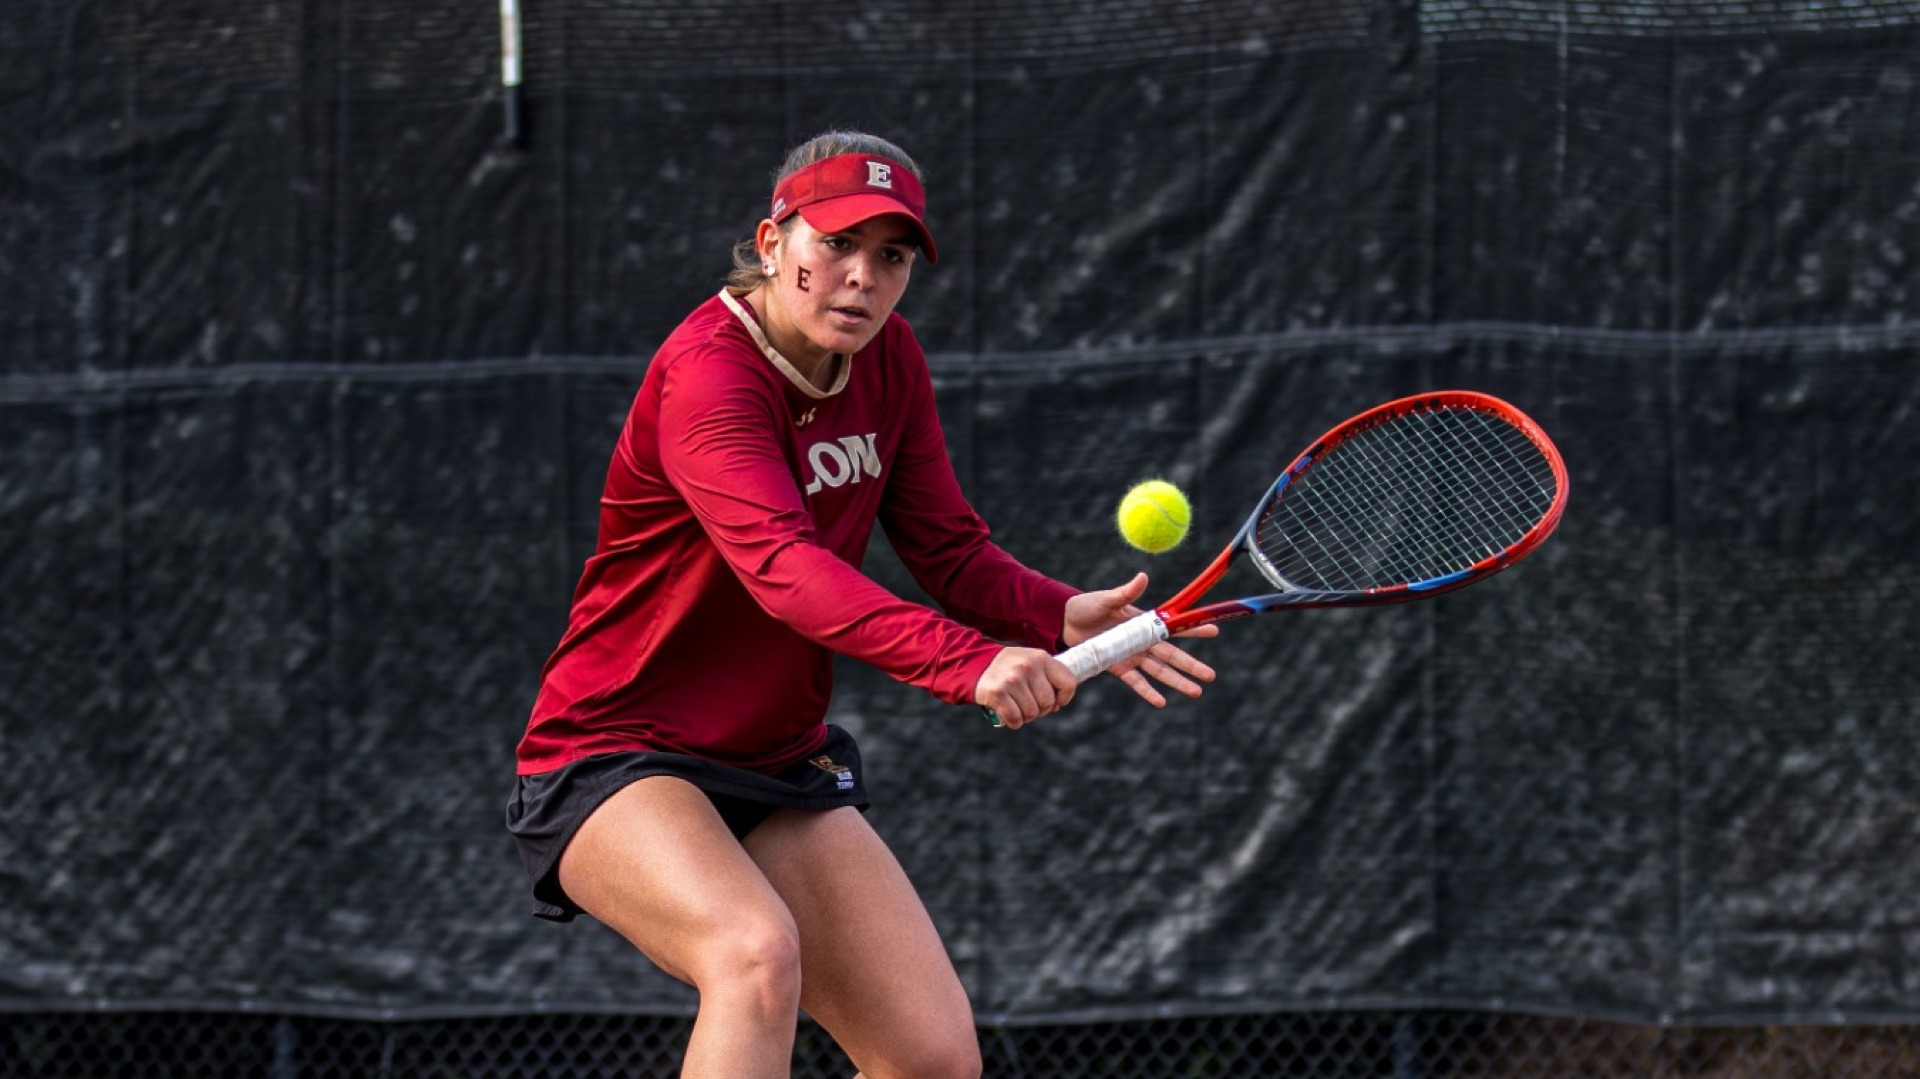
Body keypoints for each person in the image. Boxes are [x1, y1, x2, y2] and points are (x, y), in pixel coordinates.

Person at [505, 129, 1216, 1079]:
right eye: (834, 244)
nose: (861, 279)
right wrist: (969, 662)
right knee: (753, 955)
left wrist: (1054, 614)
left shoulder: (890, 361)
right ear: (772, 242)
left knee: (928, 1055)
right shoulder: (710, 375)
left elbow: (950, 549)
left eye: (890, 257)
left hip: (771, 757)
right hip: (613, 747)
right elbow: (785, 568)